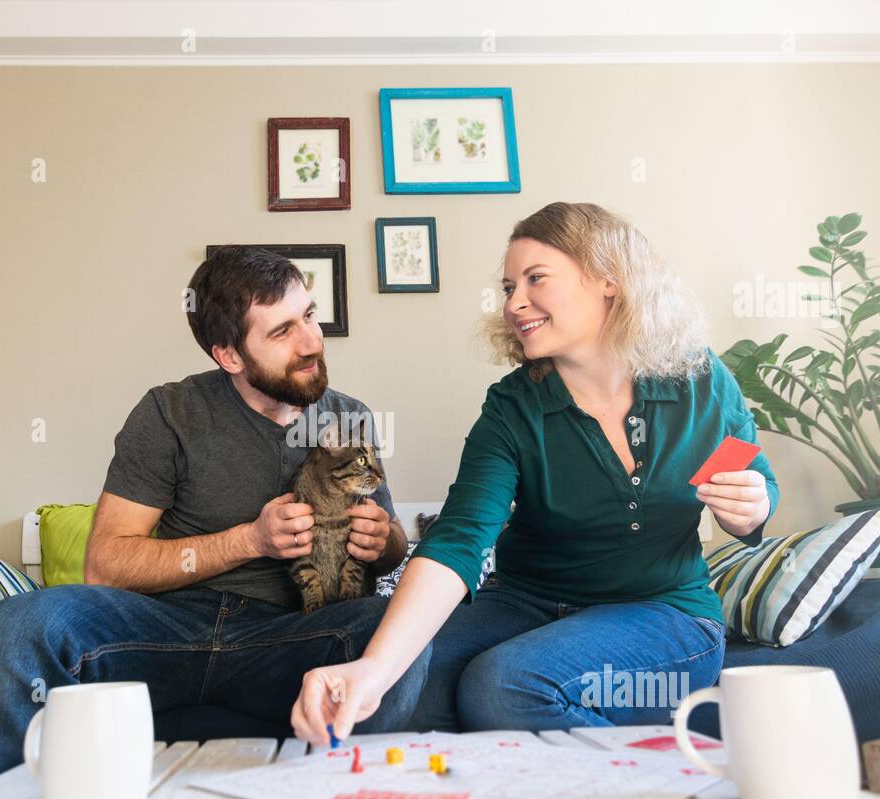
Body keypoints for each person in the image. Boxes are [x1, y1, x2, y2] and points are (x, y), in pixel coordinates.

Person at [290, 201, 778, 744]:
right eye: (508, 287)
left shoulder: (700, 380)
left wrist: (752, 508)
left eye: (535, 279)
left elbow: (754, 484)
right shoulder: (513, 407)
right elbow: (460, 539)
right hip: (524, 602)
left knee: (501, 686)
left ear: (609, 281)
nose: (513, 304)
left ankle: (652, 781)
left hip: (663, 613)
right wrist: (375, 669)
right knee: (403, 689)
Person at [0, 245, 427, 785]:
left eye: (308, 315)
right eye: (282, 332)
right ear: (229, 356)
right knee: (13, 627)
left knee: (397, 634)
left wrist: (384, 541)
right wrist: (250, 540)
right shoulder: (170, 412)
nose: (311, 342)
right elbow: (106, 566)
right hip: (163, 630)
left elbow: (391, 545)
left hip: (290, 636)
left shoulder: (349, 416)